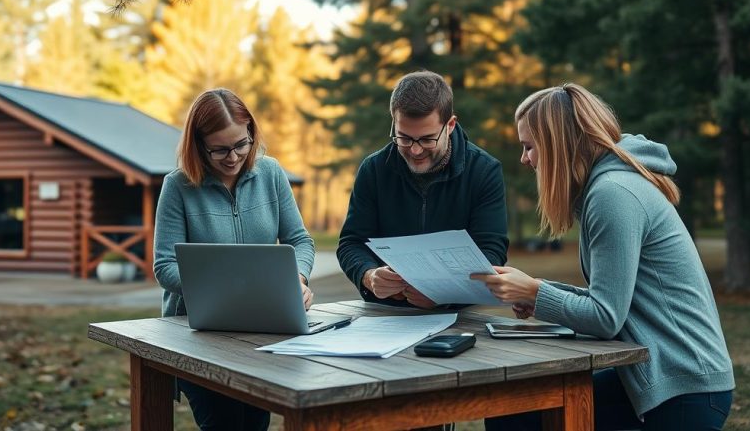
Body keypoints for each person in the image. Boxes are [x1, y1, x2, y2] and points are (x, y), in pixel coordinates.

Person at [473, 83, 734, 431]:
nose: (524, 159)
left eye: (529, 146)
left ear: (556, 144)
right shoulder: (605, 189)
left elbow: (606, 317)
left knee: (519, 416)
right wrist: (534, 289)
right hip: (655, 379)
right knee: (514, 413)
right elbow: (611, 301)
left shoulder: (613, 195)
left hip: (685, 389)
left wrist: (535, 293)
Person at [153, 88, 316, 431]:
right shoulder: (178, 186)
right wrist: (221, 287)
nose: (233, 157)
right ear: (198, 145)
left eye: (241, 144)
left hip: (264, 329)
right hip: (196, 333)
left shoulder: (271, 174)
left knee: (255, 423)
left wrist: (296, 280)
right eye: (220, 149)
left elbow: (299, 240)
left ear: (252, 134)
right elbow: (164, 266)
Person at [338, 70, 509, 309]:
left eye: (427, 139)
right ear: (394, 124)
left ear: (450, 125)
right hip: (385, 313)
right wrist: (368, 275)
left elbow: (491, 252)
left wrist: (445, 294)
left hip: (460, 316)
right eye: (404, 138)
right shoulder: (373, 170)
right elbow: (351, 243)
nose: (415, 150)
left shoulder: (483, 171)